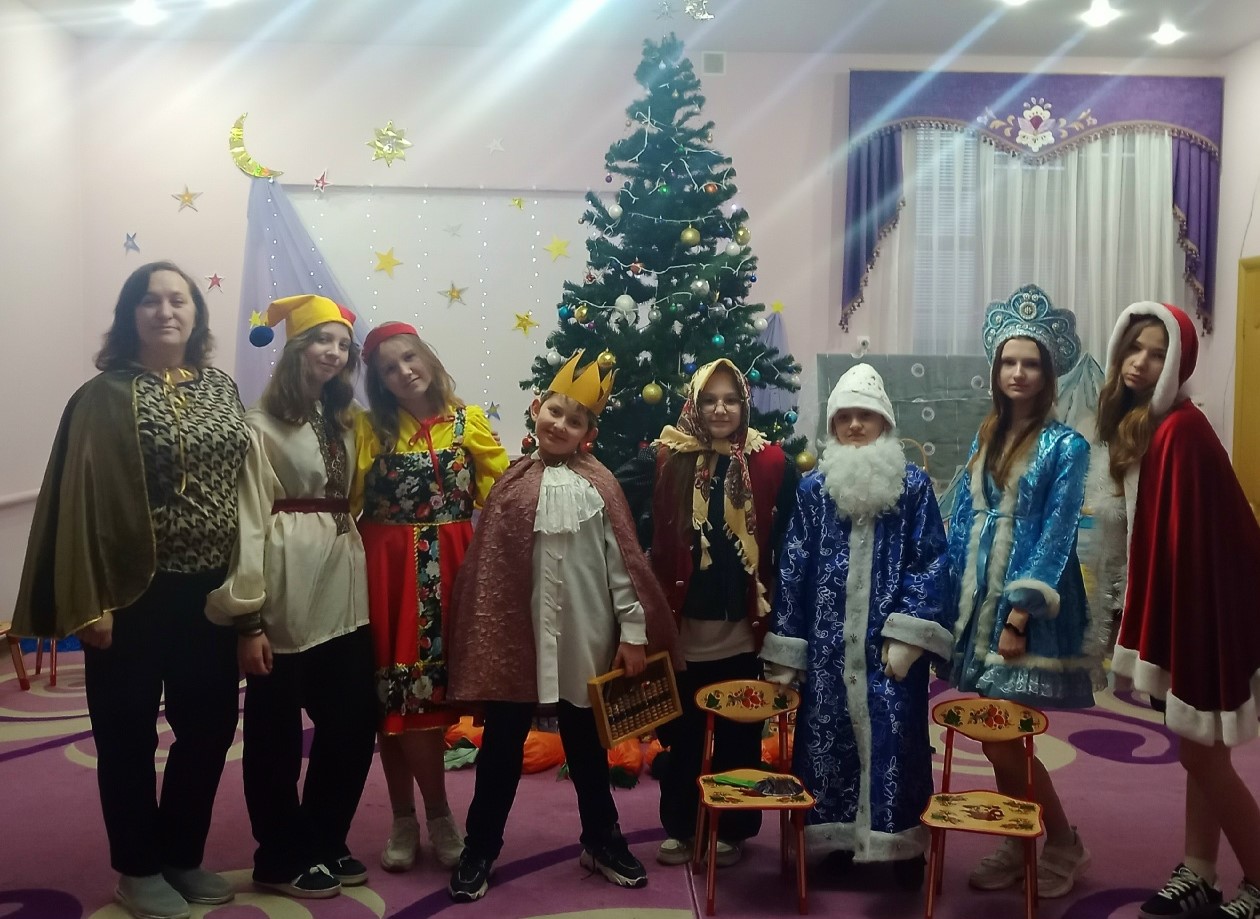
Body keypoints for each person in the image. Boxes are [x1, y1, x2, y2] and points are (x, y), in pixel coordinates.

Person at [12, 261, 249, 919]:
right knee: (126, 736)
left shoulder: (222, 387)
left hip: (211, 594)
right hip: (129, 597)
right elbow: (79, 503)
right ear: (130, 315)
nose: (165, 310)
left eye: (178, 299)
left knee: (209, 730)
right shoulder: (102, 397)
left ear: (197, 313)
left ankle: (180, 854)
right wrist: (92, 600)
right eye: (149, 300)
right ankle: (138, 868)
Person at [445, 350, 680, 903]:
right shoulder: (510, 485)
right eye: (555, 412)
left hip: (583, 636)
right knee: (501, 744)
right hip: (519, 638)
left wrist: (633, 635)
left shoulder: (601, 486)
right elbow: (489, 572)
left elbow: (624, 567)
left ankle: (601, 838)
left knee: (586, 744)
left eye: (575, 421)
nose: (560, 425)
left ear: (588, 434)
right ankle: (480, 846)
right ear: (536, 408)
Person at [207, 295, 377, 899]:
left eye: (342, 345)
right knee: (276, 731)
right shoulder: (259, 424)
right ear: (297, 346)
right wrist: (249, 617)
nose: (333, 352)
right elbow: (250, 518)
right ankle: (279, 854)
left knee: (353, 718)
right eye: (321, 340)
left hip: (343, 584)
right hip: (285, 585)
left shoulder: (344, 418)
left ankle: (326, 837)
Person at [1096, 302, 1260, 919]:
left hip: (1205, 610)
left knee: (1199, 750)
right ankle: (1200, 869)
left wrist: (1174, 627)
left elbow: (1190, 548)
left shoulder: (1180, 431)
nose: (1140, 362)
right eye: (1134, 348)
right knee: (1200, 743)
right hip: (1189, 607)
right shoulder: (1150, 424)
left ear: (1178, 364)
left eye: (1157, 353)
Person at [760, 363, 952, 889]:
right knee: (828, 742)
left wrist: (909, 633)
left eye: (864, 416)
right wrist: (789, 650)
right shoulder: (814, 491)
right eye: (843, 417)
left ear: (883, 421)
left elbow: (931, 560)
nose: (854, 425)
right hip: (827, 652)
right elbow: (793, 567)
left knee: (897, 742)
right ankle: (838, 839)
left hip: (889, 654)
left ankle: (900, 844)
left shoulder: (912, 487)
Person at [945, 285, 1097, 899]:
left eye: (1030, 363)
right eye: (1008, 361)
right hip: (977, 606)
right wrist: (948, 600)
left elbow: (1057, 534)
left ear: (1048, 373)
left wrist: (1018, 616)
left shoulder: (1068, 446)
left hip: (1024, 611)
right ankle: (1020, 836)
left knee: (1005, 730)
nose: (1017, 373)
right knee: (994, 733)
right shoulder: (985, 437)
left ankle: (1060, 841)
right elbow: (964, 520)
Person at [616, 357, 797, 869]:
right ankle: (680, 825)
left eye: (731, 400)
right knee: (684, 738)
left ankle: (733, 829)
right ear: (694, 404)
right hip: (681, 633)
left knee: (739, 737)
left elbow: (791, 539)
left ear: (745, 405)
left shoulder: (771, 462)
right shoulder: (665, 457)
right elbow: (619, 509)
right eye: (710, 400)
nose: (721, 409)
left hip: (742, 632)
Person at [351, 321, 509, 873]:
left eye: (409, 358)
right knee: (394, 700)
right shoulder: (369, 430)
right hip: (388, 574)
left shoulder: (469, 422)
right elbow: (344, 498)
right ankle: (412, 817)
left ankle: (433, 815)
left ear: (428, 358)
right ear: (379, 381)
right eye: (388, 368)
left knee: (433, 701)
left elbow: (503, 495)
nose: (403, 372)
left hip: (453, 570)